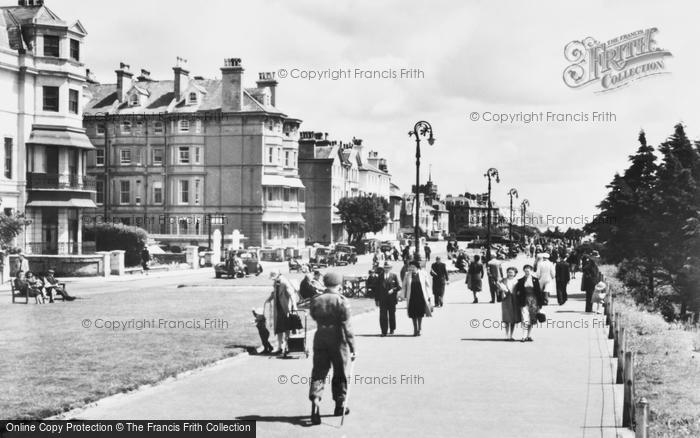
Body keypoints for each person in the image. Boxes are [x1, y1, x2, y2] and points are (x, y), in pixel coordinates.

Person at [308, 272, 356, 425]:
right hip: (337, 338)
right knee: (340, 373)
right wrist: (353, 346)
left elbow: (313, 315)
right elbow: (347, 326)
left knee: (319, 372)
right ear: (338, 284)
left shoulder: (316, 299)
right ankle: (340, 405)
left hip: (320, 336)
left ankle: (316, 399)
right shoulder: (341, 300)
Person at [264, 270, 298, 355]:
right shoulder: (276, 282)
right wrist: (269, 299)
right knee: (279, 329)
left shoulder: (284, 282)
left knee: (287, 328)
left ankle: (287, 346)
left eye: (274, 278)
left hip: (285, 309)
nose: (273, 280)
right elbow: (274, 293)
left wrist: (292, 308)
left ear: (278, 276)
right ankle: (279, 346)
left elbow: (292, 295)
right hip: (278, 309)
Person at [514, 264, 544, 342]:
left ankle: (529, 335)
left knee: (532, 318)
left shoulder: (535, 280)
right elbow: (517, 292)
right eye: (525, 270)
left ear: (531, 271)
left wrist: (540, 304)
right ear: (524, 271)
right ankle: (524, 336)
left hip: (534, 301)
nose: (527, 272)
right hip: (524, 300)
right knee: (525, 318)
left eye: (528, 270)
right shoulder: (520, 280)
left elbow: (539, 292)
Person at [402, 260, 433, 336]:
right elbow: (404, 286)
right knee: (413, 314)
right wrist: (402, 296)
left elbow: (427, 285)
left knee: (420, 313)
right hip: (412, 297)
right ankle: (415, 329)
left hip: (421, 296)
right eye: (410, 267)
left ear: (416, 267)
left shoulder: (423, 273)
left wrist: (429, 296)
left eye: (412, 266)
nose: (410, 268)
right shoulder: (407, 274)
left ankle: (420, 328)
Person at [375, 262, 402, 336]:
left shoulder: (394, 276)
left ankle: (392, 329)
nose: (386, 269)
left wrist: (393, 290)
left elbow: (399, 287)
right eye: (385, 267)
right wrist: (376, 300)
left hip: (391, 299)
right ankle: (384, 331)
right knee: (383, 315)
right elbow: (377, 289)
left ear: (391, 268)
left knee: (392, 315)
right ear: (383, 268)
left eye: (388, 267)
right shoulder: (380, 276)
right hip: (382, 299)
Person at [499, 267, 521, 340]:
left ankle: (511, 335)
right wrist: (501, 289)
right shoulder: (503, 280)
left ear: (515, 273)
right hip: (506, 300)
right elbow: (499, 288)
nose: (510, 273)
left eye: (512, 272)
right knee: (506, 318)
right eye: (509, 272)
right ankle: (506, 335)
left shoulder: (517, 281)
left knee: (513, 318)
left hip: (515, 300)